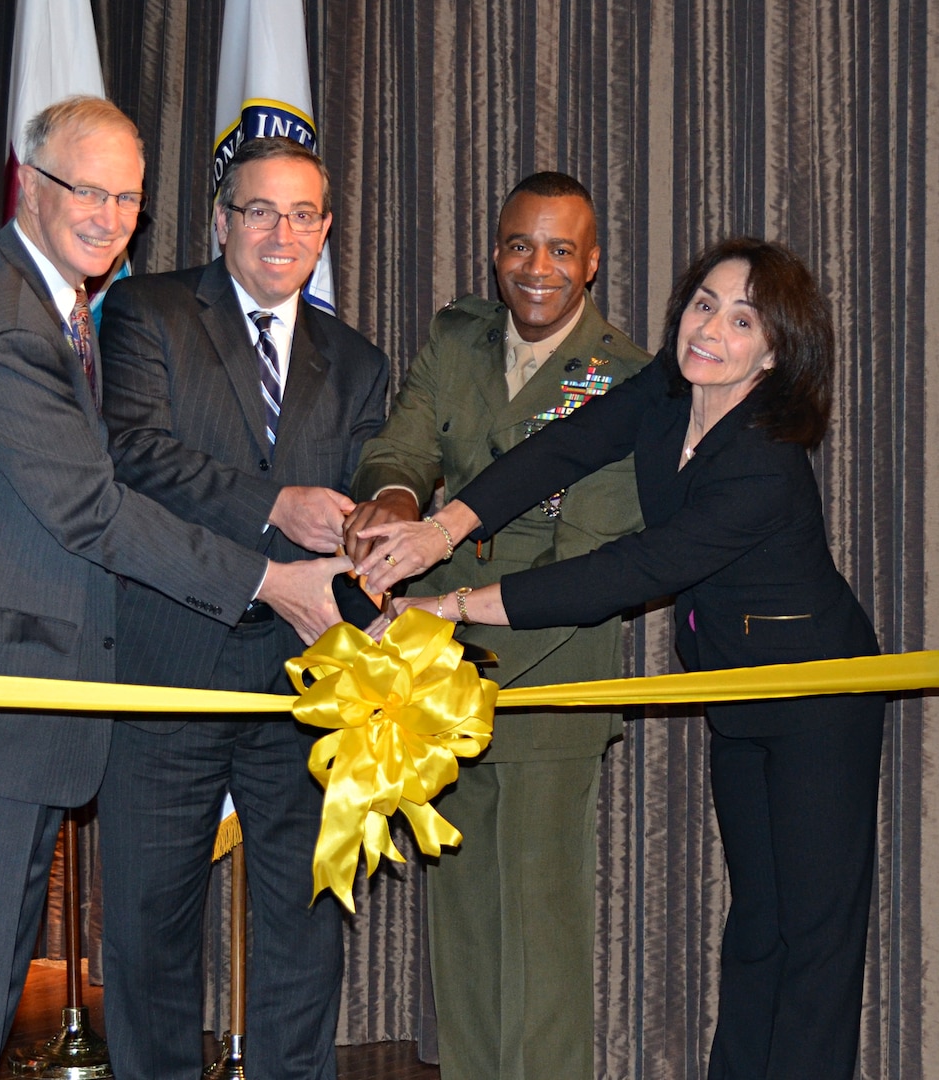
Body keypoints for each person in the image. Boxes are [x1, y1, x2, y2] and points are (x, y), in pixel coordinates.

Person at [0, 97, 349, 1079]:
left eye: (127, 196)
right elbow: (92, 512)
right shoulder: (4, 324)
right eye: (88, 189)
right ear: (30, 188)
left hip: (19, 710)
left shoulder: (48, 302)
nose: (110, 215)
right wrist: (272, 582)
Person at [358, 237, 886, 1080]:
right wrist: (442, 528)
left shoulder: (764, 462)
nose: (709, 327)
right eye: (703, 303)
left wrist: (451, 605)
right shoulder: (667, 393)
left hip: (820, 699)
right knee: (756, 922)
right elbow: (560, 449)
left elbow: (630, 572)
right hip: (738, 688)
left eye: (741, 318)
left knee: (815, 937)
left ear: (776, 349)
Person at [340, 170, 649, 1080]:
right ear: (495, 250)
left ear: (592, 264)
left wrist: (450, 629)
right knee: (464, 925)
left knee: (541, 936)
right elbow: (401, 448)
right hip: (435, 670)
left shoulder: (623, 378)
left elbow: (586, 557)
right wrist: (391, 509)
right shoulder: (457, 335)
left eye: (561, 249)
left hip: (549, 671)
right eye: (520, 244)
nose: (537, 267)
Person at [95, 136, 389, 1080]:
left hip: (301, 682)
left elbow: (371, 493)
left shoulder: (358, 362)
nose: (282, 231)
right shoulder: (146, 312)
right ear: (221, 222)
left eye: (303, 214)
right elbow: (132, 454)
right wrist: (273, 505)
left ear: (327, 230)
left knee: (307, 924)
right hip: (165, 667)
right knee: (149, 928)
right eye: (260, 209)